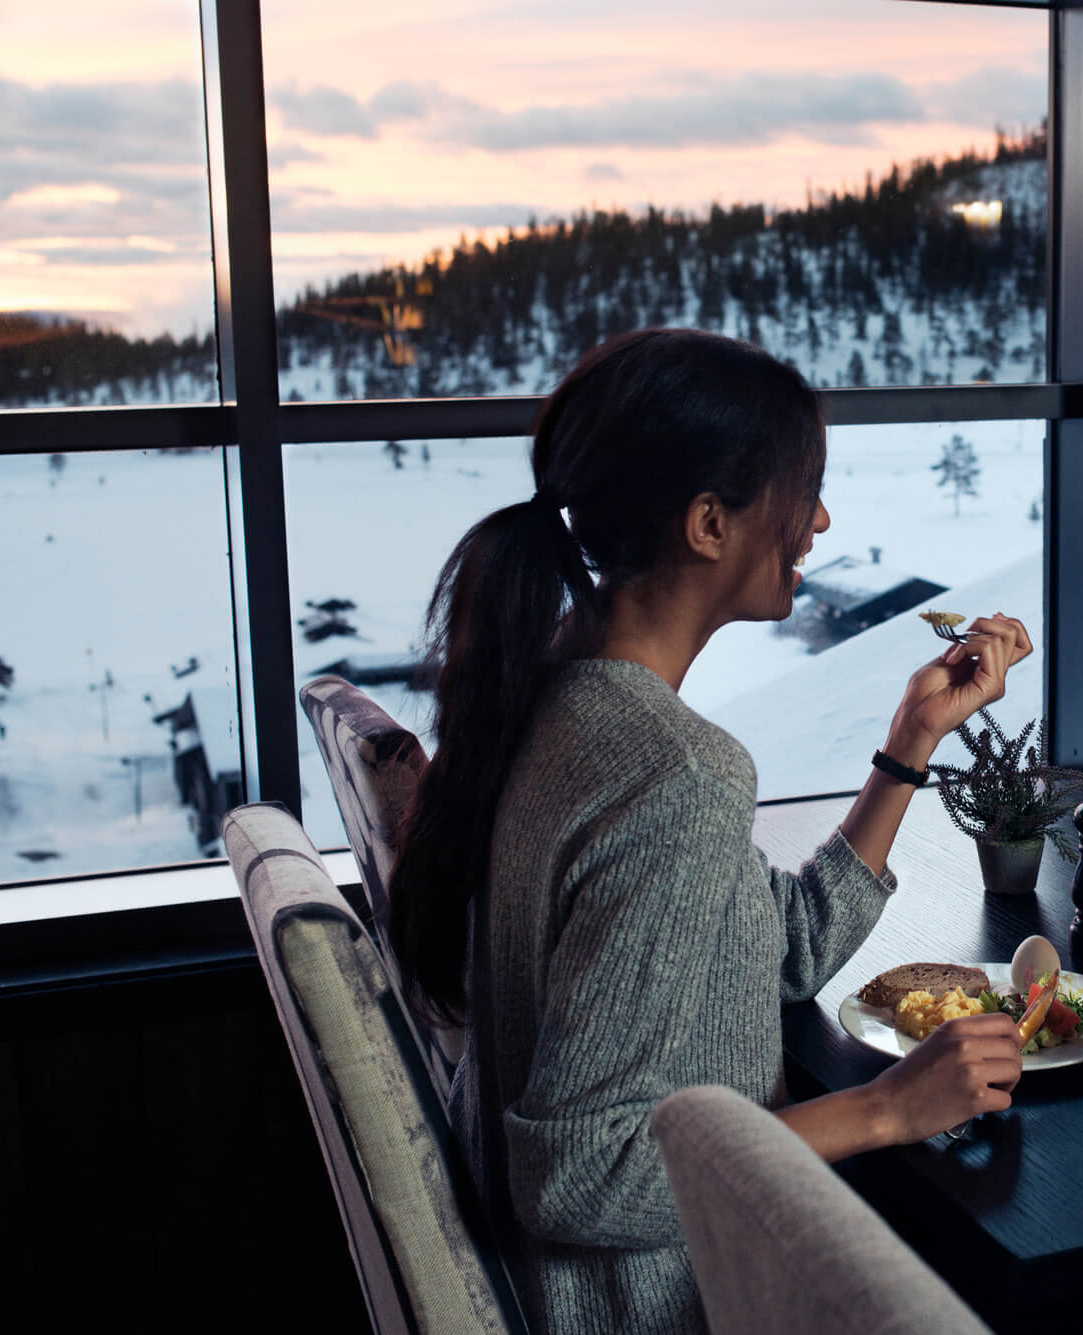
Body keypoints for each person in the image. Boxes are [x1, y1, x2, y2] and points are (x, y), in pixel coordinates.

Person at [389, 328, 1029, 1334]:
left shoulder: (552, 700)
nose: (818, 520)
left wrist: (913, 738)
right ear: (707, 524)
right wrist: (887, 1111)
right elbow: (577, 1178)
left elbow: (780, 951)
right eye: (797, 491)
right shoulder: (670, 772)